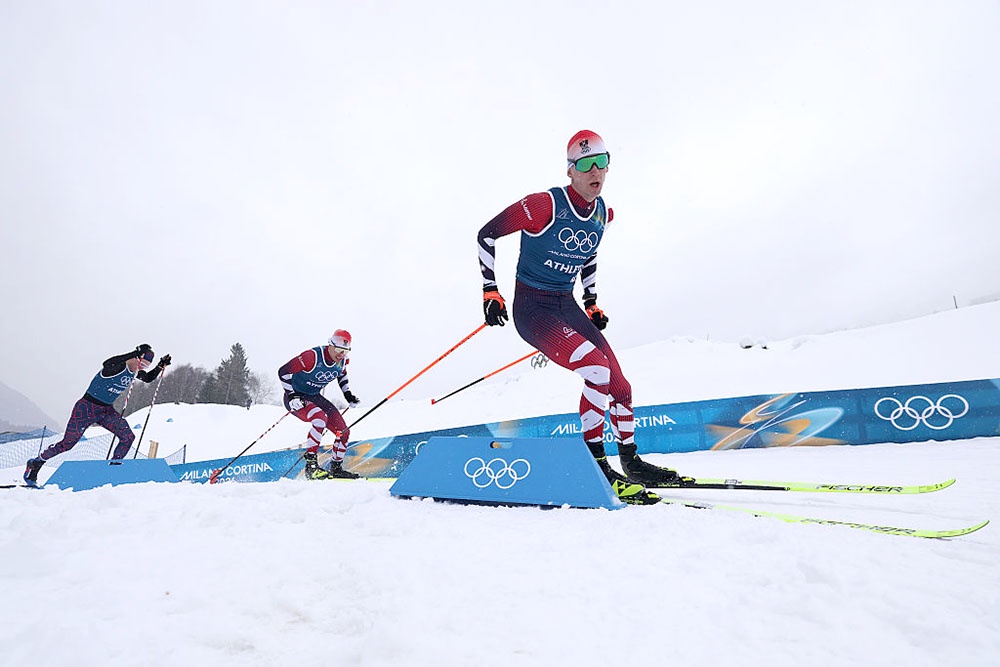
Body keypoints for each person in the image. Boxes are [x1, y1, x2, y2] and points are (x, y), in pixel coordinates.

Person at [476, 130, 694, 505]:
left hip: (567, 305)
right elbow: (487, 234)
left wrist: (591, 301)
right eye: (586, 164)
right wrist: (490, 291)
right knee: (596, 369)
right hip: (533, 309)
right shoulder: (543, 204)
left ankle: (631, 462)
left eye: (602, 163)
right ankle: (597, 467)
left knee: (621, 387)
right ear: (571, 171)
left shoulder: (602, 214)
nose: (596, 171)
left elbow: (589, 256)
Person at [23, 344, 172, 486]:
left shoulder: (135, 371)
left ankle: (112, 469)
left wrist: (160, 365)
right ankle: (36, 463)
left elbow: (148, 378)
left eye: (145, 366)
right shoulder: (117, 367)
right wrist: (134, 353)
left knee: (128, 437)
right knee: (67, 444)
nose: (141, 368)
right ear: (135, 357)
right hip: (86, 408)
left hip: (106, 411)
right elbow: (106, 363)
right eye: (141, 363)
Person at [278, 330, 362, 480]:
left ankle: (336, 468)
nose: (341, 354)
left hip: (315, 397)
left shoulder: (342, 360)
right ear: (330, 344)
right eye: (338, 350)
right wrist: (292, 395)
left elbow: (341, 374)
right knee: (319, 418)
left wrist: (348, 394)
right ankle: (311, 467)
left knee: (343, 431)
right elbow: (283, 372)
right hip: (296, 398)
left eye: (345, 351)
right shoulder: (312, 357)